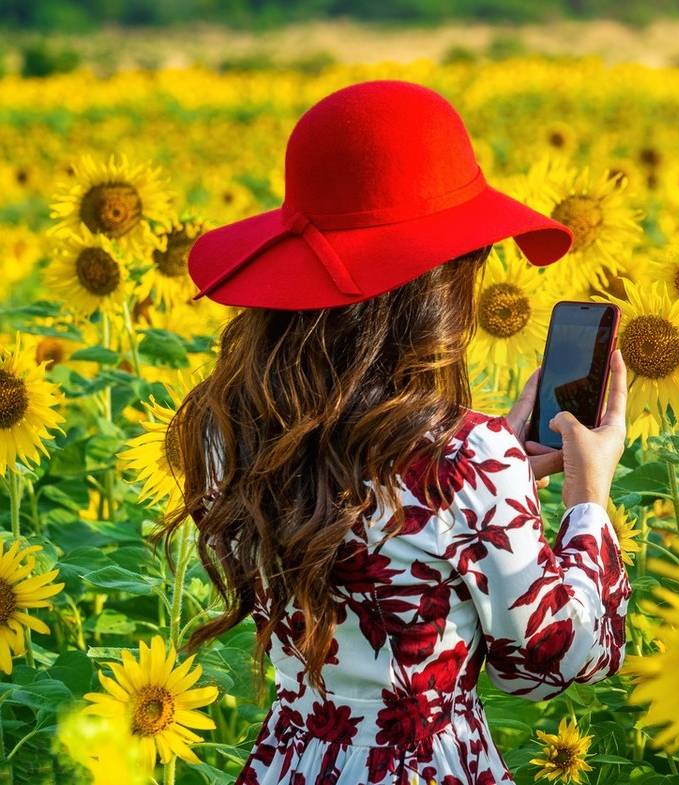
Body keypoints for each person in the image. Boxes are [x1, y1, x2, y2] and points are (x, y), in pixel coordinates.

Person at [166, 80, 632, 785]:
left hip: (292, 757)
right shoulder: (469, 461)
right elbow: (550, 661)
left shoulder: (231, 427)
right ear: (441, 284)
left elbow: (374, 490)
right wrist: (586, 494)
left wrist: (493, 475)